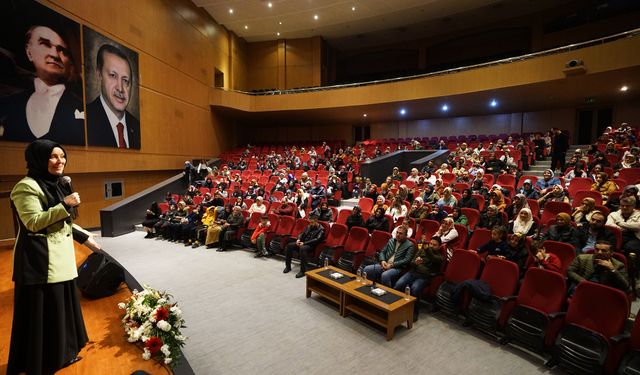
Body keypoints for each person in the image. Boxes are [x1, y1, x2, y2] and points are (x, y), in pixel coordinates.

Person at [8, 139, 100, 374]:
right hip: (40, 262)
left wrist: (84, 238)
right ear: (38, 159)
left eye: (62, 156)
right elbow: (33, 222)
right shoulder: (25, 186)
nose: (60, 161)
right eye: (53, 157)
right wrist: (65, 204)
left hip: (61, 259)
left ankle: (63, 354)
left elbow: (64, 222)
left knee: (61, 309)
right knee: (44, 313)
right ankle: (44, 361)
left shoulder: (58, 183)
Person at [0, 26, 85, 145]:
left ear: (70, 62)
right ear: (29, 52)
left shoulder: (83, 108)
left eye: (62, 50)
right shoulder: (10, 104)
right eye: (45, 44)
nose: (55, 54)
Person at [86, 44, 140, 148]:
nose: (120, 88)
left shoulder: (137, 127)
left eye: (125, 81)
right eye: (113, 76)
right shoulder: (85, 122)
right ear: (99, 75)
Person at [394, 236, 443, 321]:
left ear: (439, 247)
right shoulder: (422, 250)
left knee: (415, 289)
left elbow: (431, 259)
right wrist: (416, 263)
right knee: (399, 284)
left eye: (434, 245)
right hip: (412, 272)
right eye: (430, 243)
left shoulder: (439, 257)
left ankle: (414, 312)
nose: (431, 246)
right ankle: (396, 307)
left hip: (424, 277)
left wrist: (419, 265)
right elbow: (412, 263)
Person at [606, 196, 640, 263]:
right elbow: (609, 224)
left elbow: (638, 226)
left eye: (628, 206)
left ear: (634, 206)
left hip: (634, 237)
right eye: (622, 205)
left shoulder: (639, 214)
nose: (624, 208)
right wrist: (621, 229)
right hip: (616, 236)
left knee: (631, 247)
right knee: (608, 245)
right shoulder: (614, 214)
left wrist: (620, 223)